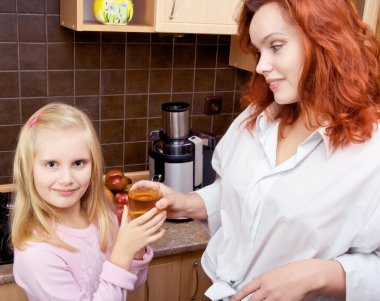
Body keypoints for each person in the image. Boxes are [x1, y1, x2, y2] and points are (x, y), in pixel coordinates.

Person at [132, 0, 380, 300]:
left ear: (326, 40)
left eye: (276, 46)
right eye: (259, 51)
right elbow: (237, 194)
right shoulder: (257, 118)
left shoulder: (370, 152)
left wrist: (321, 275)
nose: (261, 66)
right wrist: (185, 203)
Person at [11, 103, 166, 300]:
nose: (67, 178)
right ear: (28, 169)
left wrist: (136, 249)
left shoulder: (103, 218)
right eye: (51, 164)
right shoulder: (36, 253)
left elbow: (131, 285)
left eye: (78, 163)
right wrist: (122, 253)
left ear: (94, 165)